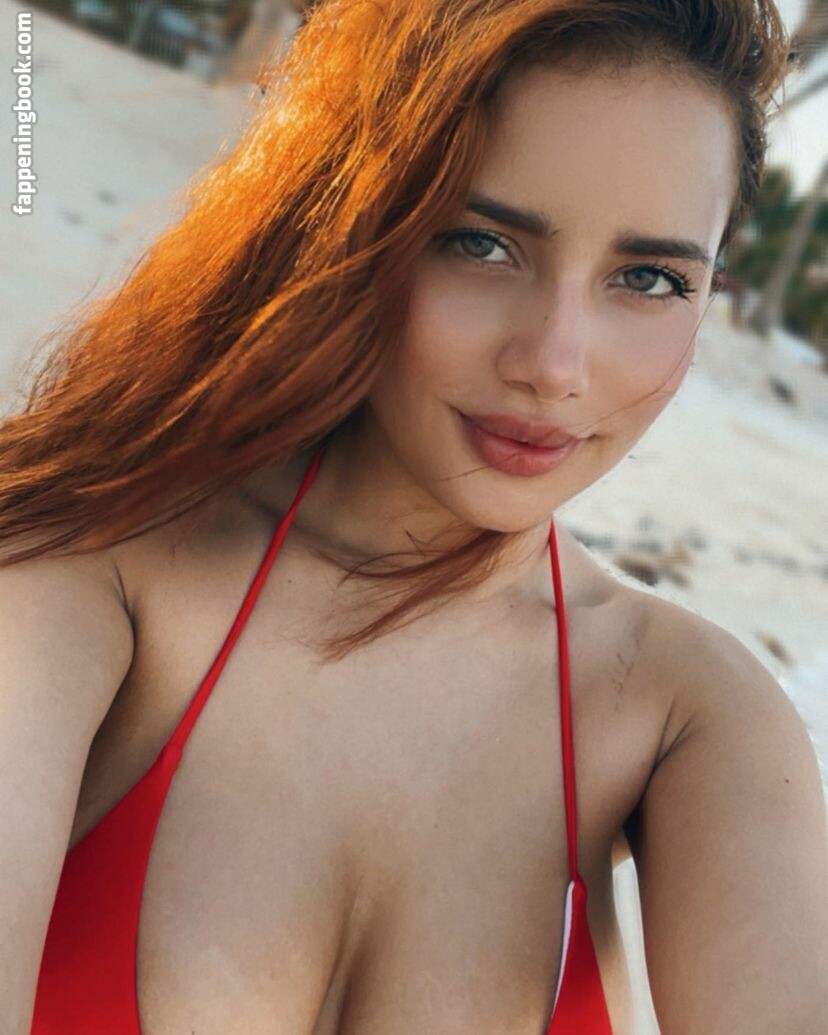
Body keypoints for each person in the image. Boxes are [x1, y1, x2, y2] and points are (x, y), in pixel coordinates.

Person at [1, 1, 825, 1033]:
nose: (554, 364)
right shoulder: (92, 576)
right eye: (481, 244)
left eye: (649, 278)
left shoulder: (687, 714)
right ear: (349, 218)